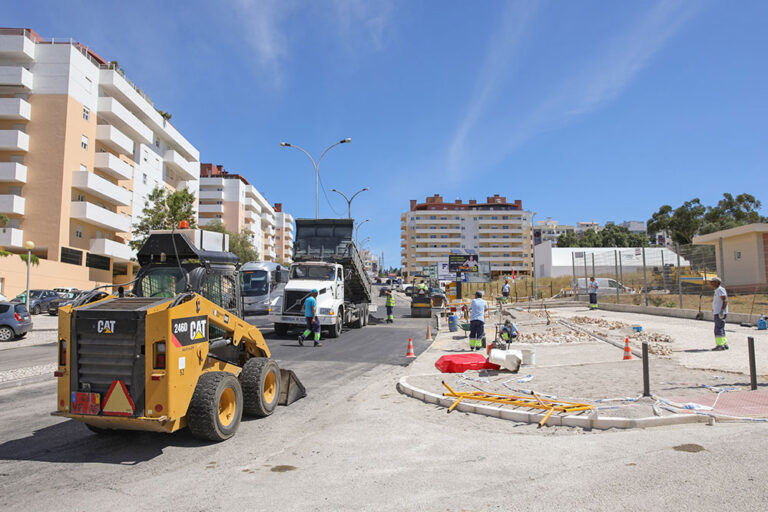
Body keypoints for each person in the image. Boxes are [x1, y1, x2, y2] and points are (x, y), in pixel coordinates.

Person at [709, 277, 729, 351]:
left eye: (713, 282)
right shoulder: (717, 290)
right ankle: (724, 343)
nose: (711, 283)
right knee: (721, 328)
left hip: (719, 312)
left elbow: (725, 300)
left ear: (717, 282)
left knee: (718, 328)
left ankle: (720, 345)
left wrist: (722, 311)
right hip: (718, 311)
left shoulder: (720, 290)